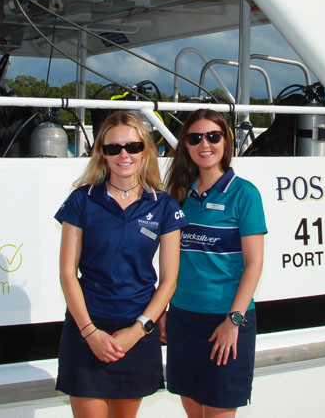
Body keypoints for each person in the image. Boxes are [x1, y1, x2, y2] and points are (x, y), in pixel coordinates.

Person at [55, 111, 186, 418]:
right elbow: (66, 273)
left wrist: (138, 330)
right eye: (114, 148)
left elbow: (169, 280)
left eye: (133, 146)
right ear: (102, 153)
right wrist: (90, 332)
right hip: (87, 331)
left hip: (137, 332)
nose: (124, 154)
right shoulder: (82, 200)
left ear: (146, 151)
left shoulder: (163, 206)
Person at [162, 110, 267, 417]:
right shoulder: (178, 195)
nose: (204, 144)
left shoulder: (245, 194)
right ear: (186, 146)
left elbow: (254, 264)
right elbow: (171, 263)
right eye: (195, 138)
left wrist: (233, 322)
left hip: (226, 320)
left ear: (225, 141)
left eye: (213, 136)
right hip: (183, 319)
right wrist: (166, 310)